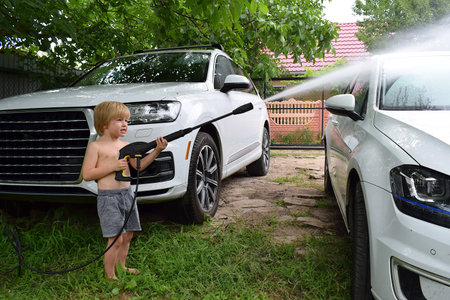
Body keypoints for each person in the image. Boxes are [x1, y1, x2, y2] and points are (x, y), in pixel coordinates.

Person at [82, 101, 168, 280]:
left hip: (127, 194)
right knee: (115, 239)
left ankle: (122, 266)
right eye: (119, 120)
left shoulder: (125, 146)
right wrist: (112, 166)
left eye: (127, 121)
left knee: (128, 235)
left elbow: (139, 166)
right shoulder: (96, 147)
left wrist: (157, 151)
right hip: (109, 198)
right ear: (104, 123)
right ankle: (110, 275)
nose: (125, 124)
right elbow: (88, 174)